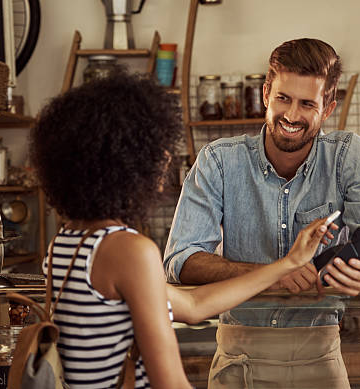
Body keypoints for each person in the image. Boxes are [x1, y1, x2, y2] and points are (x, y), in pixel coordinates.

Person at [30, 72, 334, 389]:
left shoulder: (67, 244)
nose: (165, 156)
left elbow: (193, 306)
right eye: (156, 146)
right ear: (123, 159)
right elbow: (170, 383)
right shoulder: (129, 252)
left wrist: (285, 265)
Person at [164, 38, 360, 388]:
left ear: (328, 108)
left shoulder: (349, 156)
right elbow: (179, 261)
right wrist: (271, 274)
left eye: (307, 103)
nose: (291, 115)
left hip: (320, 357)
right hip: (238, 358)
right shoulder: (218, 160)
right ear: (265, 94)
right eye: (283, 99)